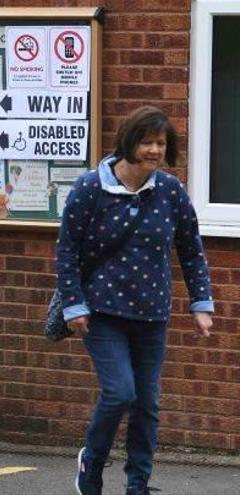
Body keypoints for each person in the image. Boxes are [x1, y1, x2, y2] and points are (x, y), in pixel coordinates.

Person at [56, 106, 214, 495]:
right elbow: (67, 251)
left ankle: (138, 484)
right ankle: (91, 463)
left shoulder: (171, 191)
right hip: (101, 312)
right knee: (120, 393)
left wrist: (201, 303)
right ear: (129, 142)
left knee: (147, 406)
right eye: (146, 141)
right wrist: (73, 304)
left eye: (161, 143)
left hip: (152, 314)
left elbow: (190, 249)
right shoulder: (91, 188)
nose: (154, 150)